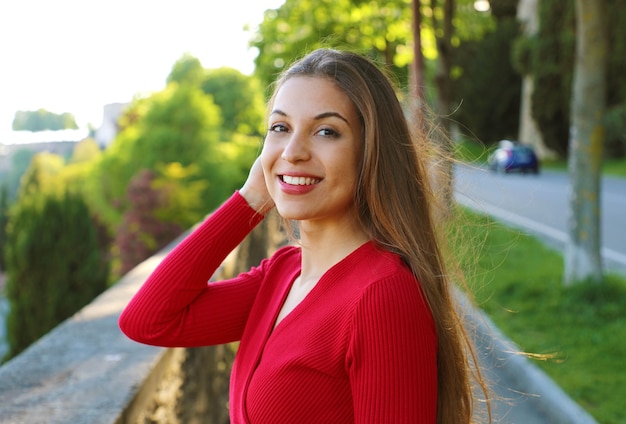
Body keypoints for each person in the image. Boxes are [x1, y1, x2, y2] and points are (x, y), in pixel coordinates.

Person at [119, 48, 489, 423]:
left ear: (371, 152)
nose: (293, 152)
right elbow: (148, 320)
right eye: (280, 128)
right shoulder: (282, 274)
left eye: (326, 131)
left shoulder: (381, 295)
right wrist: (250, 198)